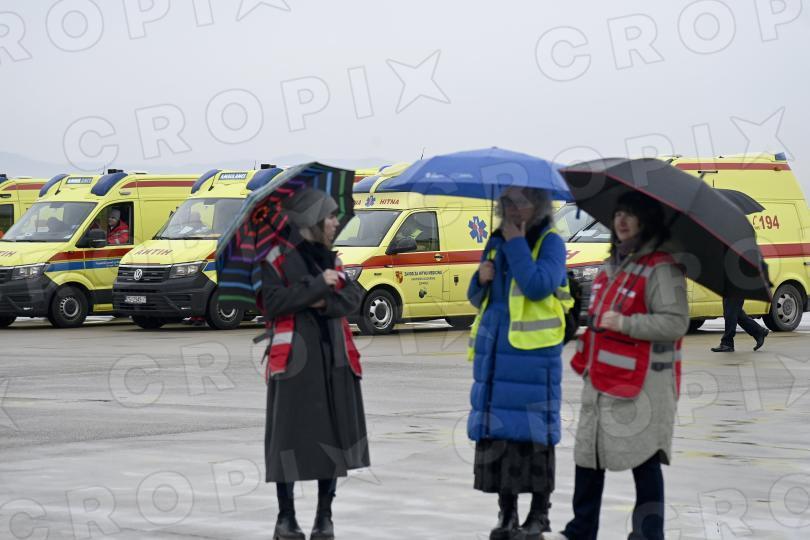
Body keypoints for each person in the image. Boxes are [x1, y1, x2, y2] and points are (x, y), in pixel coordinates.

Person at [545, 192, 689, 540]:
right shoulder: (611, 266)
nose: (622, 220)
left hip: (645, 385)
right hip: (601, 379)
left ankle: (649, 534)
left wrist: (625, 323)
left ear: (646, 220)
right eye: (618, 213)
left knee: (644, 459)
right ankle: (581, 529)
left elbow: (675, 322)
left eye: (631, 214)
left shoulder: (662, 268)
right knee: (589, 454)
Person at [259, 188, 369, 540]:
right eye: (331, 216)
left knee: (330, 439)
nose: (336, 223)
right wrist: (318, 286)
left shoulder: (331, 259)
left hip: (333, 356)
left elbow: (352, 297)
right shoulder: (277, 257)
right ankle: (286, 518)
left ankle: (325, 517)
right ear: (312, 219)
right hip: (293, 360)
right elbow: (272, 303)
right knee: (287, 440)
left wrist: (322, 302)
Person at [467, 186, 572, 540]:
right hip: (497, 354)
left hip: (533, 358)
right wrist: (479, 279)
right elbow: (477, 296)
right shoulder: (496, 240)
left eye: (522, 202)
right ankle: (507, 513)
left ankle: (539, 514)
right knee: (501, 436)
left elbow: (538, 285)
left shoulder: (550, 242)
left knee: (534, 435)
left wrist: (515, 245)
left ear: (539, 205)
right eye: (508, 202)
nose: (514, 209)